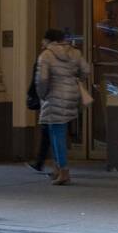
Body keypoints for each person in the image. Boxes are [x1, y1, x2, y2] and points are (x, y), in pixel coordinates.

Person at [35, 27, 90, 186]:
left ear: (48, 40)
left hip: (54, 95)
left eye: (43, 39)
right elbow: (86, 70)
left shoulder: (46, 55)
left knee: (56, 132)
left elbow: (43, 79)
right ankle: (58, 168)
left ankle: (63, 170)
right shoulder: (75, 52)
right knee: (58, 130)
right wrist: (74, 79)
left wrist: (42, 95)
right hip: (72, 94)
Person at [25, 35, 53, 174]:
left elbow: (40, 80)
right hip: (64, 101)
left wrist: (35, 94)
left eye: (44, 39)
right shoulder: (71, 55)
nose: (41, 42)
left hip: (49, 100)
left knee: (49, 131)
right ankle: (42, 162)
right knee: (50, 132)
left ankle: (45, 163)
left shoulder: (45, 56)